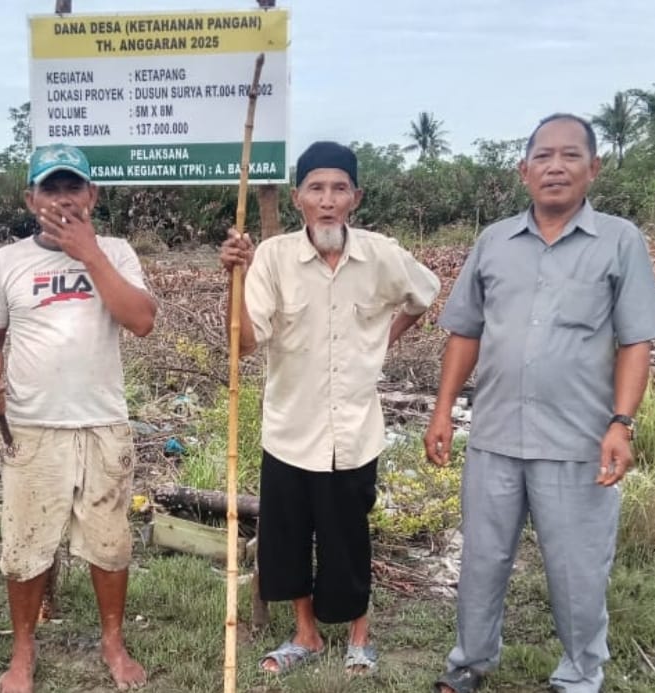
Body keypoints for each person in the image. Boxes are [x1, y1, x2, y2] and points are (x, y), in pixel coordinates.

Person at [424, 113, 655, 693]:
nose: (555, 167)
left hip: (578, 441)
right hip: (494, 436)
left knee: (577, 566)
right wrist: (442, 410)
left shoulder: (619, 241)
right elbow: (465, 332)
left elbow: (636, 341)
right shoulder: (494, 242)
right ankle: (469, 664)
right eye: (543, 156)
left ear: (594, 168)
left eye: (570, 155)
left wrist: (622, 423)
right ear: (524, 170)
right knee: (482, 561)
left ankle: (580, 674)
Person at [219, 141, 441, 675]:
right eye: (316, 188)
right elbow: (243, 343)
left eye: (339, 189)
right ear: (297, 197)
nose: (327, 200)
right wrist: (235, 279)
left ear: (355, 198)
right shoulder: (273, 258)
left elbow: (424, 295)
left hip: (354, 431)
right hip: (289, 430)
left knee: (348, 537)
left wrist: (381, 342)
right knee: (288, 537)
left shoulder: (381, 255)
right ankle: (306, 635)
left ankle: (359, 635)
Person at [0, 144, 156, 693]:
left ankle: (113, 643)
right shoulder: (8, 262)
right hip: (31, 428)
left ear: (92, 195)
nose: (62, 199)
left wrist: (88, 253)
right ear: (30, 199)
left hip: (103, 423)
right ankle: (23, 652)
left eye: (72, 187)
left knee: (110, 543)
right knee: (25, 547)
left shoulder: (116, 252)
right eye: (49, 189)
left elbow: (142, 321)